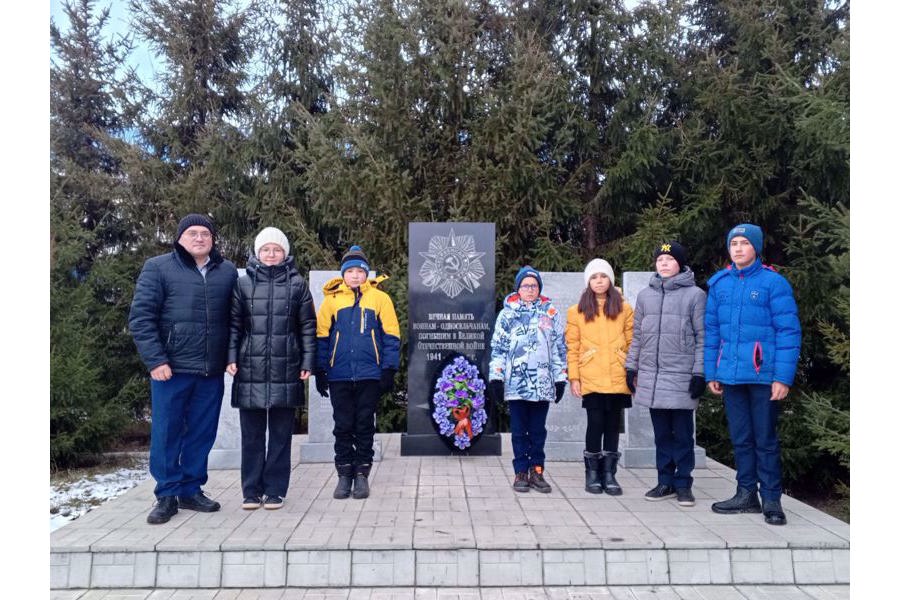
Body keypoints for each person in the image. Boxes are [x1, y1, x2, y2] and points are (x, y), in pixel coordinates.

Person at [129, 214, 238, 524]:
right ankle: (166, 494)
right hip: (171, 369)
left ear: (213, 239)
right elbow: (141, 318)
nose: (200, 238)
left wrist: (230, 356)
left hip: (211, 370)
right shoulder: (158, 267)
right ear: (180, 238)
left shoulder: (226, 272)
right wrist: (156, 360)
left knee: (202, 433)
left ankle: (191, 489)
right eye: (193, 233)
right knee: (167, 432)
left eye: (206, 233)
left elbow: (235, 320)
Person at [704, 223, 801, 526]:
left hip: (764, 377)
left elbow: (788, 331)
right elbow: (712, 333)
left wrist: (783, 378)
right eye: (734, 243)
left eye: (744, 243)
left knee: (765, 439)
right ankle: (746, 494)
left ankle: (771, 498)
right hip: (731, 376)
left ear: (755, 248)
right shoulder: (719, 284)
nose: (738, 248)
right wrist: (712, 372)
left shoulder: (774, 283)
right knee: (741, 438)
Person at [227, 227, 316, 511]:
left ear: (285, 253)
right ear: (257, 252)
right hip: (249, 366)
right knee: (251, 435)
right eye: (266, 249)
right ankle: (251, 491)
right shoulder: (242, 284)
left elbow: (307, 327)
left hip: (285, 366)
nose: (271, 254)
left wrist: (307, 361)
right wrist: (231, 356)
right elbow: (234, 326)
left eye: (276, 250)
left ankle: (276, 490)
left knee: (280, 434)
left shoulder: (298, 284)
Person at [314, 246, 400, 500]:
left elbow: (391, 336)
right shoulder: (331, 301)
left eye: (359, 271)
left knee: (364, 425)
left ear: (366, 273)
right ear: (343, 274)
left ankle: (361, 474)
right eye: (349, 271)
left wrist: (388, 369)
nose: (354, 275)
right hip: (339, 374)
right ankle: (344, 475)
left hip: (369, 375)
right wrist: (321, 369)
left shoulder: (380, 299)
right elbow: (321, 338)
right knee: (342, 426)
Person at [625, 242, 706, 507]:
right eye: (660, 259)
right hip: (652, 377)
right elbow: (637, 336)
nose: (664, 264)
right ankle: (665, 481)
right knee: (661, 434)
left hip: (681, 376)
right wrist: (631, 367)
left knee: (682, 434)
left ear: (680, 264)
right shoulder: (645, 296)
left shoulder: (695, 295)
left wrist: (699, 373)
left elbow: (702, 337)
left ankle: (684, 484)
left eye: (669, 259)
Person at [488, 266, 567, 493]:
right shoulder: (507, 314)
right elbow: (498, 349)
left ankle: (537, 471)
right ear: (518, 288)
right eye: (525, 286)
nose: (530, 290)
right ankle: (521, 471)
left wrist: (560, 378)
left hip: (542, 384)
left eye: (533, 286)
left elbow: (559, 348)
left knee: (538, 430)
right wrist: (496, 378)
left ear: (539, 288)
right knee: (519, 430)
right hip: (516, 385)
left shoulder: (550, 312)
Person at [565, 259, 634, 495]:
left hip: (617, 374)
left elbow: (634, 342)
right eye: (594, 277)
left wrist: (633, 372)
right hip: (591, 375)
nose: (599, 281)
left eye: (603, 276)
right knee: (595, 424)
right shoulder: (577, 311)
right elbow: (572, 347)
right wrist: (574, 377)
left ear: (610, 280)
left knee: (613, 426)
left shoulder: (624, 308)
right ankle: (592, 473)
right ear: (588, 282)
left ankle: (609, 474)